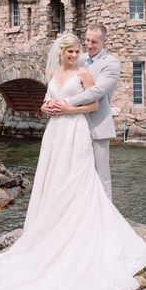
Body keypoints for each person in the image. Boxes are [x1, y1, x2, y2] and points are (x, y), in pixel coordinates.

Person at [0, 33, 146, 290]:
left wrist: (67, 106)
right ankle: (54, 222)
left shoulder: (90, 71)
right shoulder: (55, 72)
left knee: (84, 178)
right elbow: (46, 100)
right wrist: (48, 107)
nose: (77, 54)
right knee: (55, 178)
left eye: (79, 49)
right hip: (56, 132)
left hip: (77, 129)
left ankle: (95, 225)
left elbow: (94, 103)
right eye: (72, 50)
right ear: (61, 52)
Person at [49, 23, 120, 200]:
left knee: (101, 173)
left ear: (104, 41)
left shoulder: (111, 64)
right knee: (77, 173)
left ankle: (106, 217)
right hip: (73, 127)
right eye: (87, 40)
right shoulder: (78, 58)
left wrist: (66, 103)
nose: (89, 45)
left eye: (94, 42)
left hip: (98, 125)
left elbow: (96, 92)